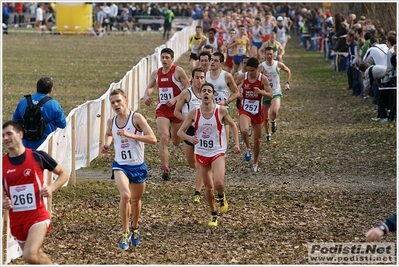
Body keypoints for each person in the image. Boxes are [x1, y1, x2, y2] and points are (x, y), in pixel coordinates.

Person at [2, 120, 70, 264]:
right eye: (3, 136)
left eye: (9, 134)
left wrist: (51, 187)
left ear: (20, 134)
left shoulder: (37, 156)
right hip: (17, 220)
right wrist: (3, 201)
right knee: (36, 256)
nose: (5, 138)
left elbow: (64, 173)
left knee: (30, 255)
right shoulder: (2, 164)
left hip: (37, 216)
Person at [177, 83, 241, 227]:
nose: (206, 93)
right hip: (201, 152)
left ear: (213, 95)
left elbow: (232, 125)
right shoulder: (194, 112)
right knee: (209, 187)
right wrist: (189, 138)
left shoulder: (221, 111)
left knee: (218, 182)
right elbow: (180, 132)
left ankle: (222, 196)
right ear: (200, 95)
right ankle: (213, 214)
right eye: (204, 91)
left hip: (217, 151)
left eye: (209, 91)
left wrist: (236, 144)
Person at [101, 89, 157, 249]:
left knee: (135, 201)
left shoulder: (136, 118)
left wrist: (131, 135)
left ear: (125, 100)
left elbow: (152, 139)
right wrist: (106, 144)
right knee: (125, 195)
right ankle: (125, 233)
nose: (116, 105)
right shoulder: (111, 121)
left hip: (138, 166)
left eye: (118, 101)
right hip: (120, 165)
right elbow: (109, 133)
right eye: (113, 103)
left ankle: (135, 227)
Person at [144, 48, 190, 180]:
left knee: (176, 141)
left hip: (177, 109)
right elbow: (150, 87)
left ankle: (172, 131)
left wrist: (176, 99)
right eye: (162, 57)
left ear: (172, 59)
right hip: (163, 109)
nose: (164, 60)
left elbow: (187, 87)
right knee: (163, 137)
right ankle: (165, 168)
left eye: (167, 58)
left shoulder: (178, 71)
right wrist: (146, 96)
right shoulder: (156, 73)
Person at [174, 67, 205, 204]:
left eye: (202, 78)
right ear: (192, 78)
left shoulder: (208, 93)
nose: (199, 80)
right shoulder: (186, 94)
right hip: (189, 131)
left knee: (201, 164)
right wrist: (189, 121)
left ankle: (197, 191)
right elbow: (176, 112)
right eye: (197, 77)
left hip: (204, 132)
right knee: (192, 163)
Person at [236, 57, 272, 172]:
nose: (250, 73)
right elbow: (233, 86)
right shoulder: (242, 77)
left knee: (257, 139)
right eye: (248, 70)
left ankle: (255, 162)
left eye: (252, 70)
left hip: (257, 110)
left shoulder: (263, 79)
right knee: (244, 130)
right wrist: (238, 93)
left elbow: (270, 94)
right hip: (245, 108)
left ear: (258, 69)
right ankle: (247, 147)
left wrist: (261, 92)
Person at [12, 76, 67, 150]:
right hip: (46, 146)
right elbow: (62, 124)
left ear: (36, 87)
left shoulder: (23, 101)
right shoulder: (54, 104)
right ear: (51, 90)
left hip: (25, 146)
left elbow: (15, 122)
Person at [206, 52, 240, 147]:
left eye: (216, 60)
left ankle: (223, 151)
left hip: (223, 108)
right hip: (209, 108)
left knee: (224, 134)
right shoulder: (205, 75)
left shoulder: (227, 76)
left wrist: (226, 101)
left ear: (221, 63)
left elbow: (237, 93)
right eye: (211, 60)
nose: (212, 62)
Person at [260, 46, 291, 141]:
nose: (269, 56)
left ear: (274, 55)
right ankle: (268, 133)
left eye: (271, 54)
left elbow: (288, 71)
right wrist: (262, 76)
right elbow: (256, 79)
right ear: (265, 55)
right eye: (267, 54)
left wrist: (287, 83)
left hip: (276, 92)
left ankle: (274, 120)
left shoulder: (278, 64)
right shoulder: (261, 66)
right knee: (265, 118)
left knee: (274, 111)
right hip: (265, 93)